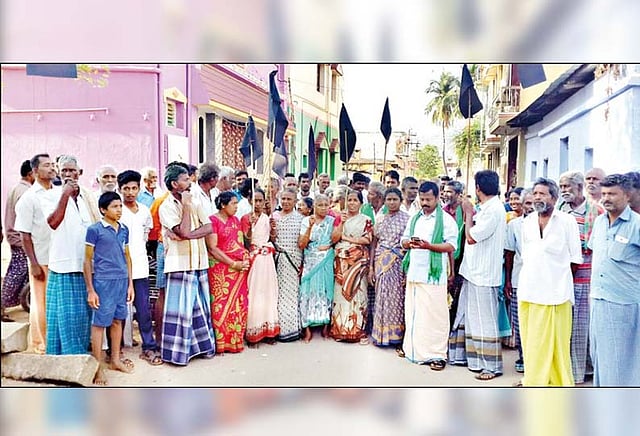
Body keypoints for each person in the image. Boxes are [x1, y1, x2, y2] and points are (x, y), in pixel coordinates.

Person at [518, 177, 582, 386]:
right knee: (532, 343)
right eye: (535, 193)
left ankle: (557, 383)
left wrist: (558, 281)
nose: (537, 197)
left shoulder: (567, 221)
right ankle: (534, 382)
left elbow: (575, 259)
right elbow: (526, 256)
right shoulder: (527, 222)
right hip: (529, 292)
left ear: (554, 198)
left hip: (557, 295)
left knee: (557, 345)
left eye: (542, 194)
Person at [450, 170, 507, 381]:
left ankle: (491, 366)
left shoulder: (494, 210)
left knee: (484, 320)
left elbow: (471, 237)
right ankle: (469, 359)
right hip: (473, 271)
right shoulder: (487, 207)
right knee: (469, 316)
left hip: (484, 274)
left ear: (478, 188)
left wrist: (468, 213)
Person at [158, 164, 216, 364]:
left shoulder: (195, 200)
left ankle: (203, 348)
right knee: (180, 312)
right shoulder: (166, 206)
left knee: (200, 308)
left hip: (198, 261)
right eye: (185, 179)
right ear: (175, 184)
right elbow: (182, 229)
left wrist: (189, 235)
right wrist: (186, 207)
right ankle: (178, 355)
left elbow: (208, 227)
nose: (190, 182)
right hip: (179, 264)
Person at [588, 174, 640, 386]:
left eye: (612, 194)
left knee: (620, 364)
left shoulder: (636, 225)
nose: (606, 198)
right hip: (597, 301)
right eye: (604, 193)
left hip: (624, 306)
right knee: (599, 358)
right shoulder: (600, 222)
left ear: (627, 195)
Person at [45, 155, 100, 356]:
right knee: (65, 316)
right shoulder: (52, 195)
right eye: (64, 171)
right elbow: (53, 222)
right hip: (63, 263)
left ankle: (81, 353)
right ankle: (65, 356)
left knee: (83, 315)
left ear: (79, 173)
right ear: (59, 173)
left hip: (85, 263)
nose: (68, 174)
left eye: (72, 170)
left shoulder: (87, 197)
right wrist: (65, 195)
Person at [400, 181, 457, 369]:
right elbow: (403, 240)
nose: (424, 203)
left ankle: (437, 355)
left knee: (435, 316)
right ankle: (413, 350)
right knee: (414, 313)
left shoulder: (446, 220)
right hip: (415, 272)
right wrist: (409, 243)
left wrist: (428, 246)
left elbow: (451, 245)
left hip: (434, 275)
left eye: (428, 200)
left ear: (437, 198)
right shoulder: (414, 218)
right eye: (422, 199)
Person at [557, 170, 604, 384]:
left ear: (578, 187)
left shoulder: (596, 211)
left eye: (567, 186)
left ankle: (578, 372)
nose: (564, 190)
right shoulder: (560, 209)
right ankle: (567, 369)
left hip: (584, 276)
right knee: (565, 325)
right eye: (561, 187)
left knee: (580, 327)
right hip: (561, 275)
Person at [84, 191, 135, 385]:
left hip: (121, 281)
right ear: (103, 210)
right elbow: (87, 260)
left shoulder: (124, 229)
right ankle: (97, 368)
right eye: (114, 206)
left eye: (120, 206)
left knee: (117, 321)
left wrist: (130, 284)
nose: (119, 210)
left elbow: (127, 257)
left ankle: (114, 360)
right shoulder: (94, 230)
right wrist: (91, 290)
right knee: (99, 324)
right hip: (103, 282)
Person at [14, 153, 59, 353]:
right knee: (41, 303)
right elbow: (24, 235)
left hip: (59, 257)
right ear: (35, 171)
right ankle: (41, 344)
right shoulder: (28, 198)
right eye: (47, 165)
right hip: (41, 258)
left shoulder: (58, 193)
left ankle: (55, 341)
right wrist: (33, 263)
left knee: (55, 303)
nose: (52, 168)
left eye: (53, 164)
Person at [117, 170, 161, 366]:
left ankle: (148, 347)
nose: (130, 192)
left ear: (139, 188)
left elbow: (146, 236)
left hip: (141, 267)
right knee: (119, 310)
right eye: (126, 189)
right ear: (120, 189)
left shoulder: (144, 210)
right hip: (119, 269)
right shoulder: (116, 210)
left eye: (134, 188)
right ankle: (116, 350)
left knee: (143, 309)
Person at [208, 191, 251, 354]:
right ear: (223, 205)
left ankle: (235, 341)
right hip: (220, 270)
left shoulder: (236, 221)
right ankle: (221, 343)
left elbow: (241, 243)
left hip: (238, 270)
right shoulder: (213, 221)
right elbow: (213, 248)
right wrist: (233, 263)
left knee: (238, 305)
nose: (236, 207)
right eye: (233, 203)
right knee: (220, 305)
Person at [330, 189, 373, 343]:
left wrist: (348, 239)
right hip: (341, 261)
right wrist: (342, 223)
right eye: (349, 200)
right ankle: (340, 330)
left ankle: (357, 330)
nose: (352, 203)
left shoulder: (366, 219)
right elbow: (334, 238)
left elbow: (367, 240)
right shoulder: (339, 217)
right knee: (340, 294)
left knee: (358, 294)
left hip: (358, 262)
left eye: (355, 200)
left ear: (361, 203)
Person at [370, 188, 410, 351]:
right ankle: (380, 335)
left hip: (398, 263)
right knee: (381, 296)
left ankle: (397, 336)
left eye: (395, 199)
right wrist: (371, 267)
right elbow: (374, 243)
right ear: (384, 201)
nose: (392, 203)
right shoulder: (380, 219)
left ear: (401, 201)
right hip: (381, 261)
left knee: (397, 299)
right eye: (389, 199)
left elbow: (409, 247)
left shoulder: (407, 219)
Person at [298, 194, 341, 342]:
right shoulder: (306, 221)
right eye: (320, 205)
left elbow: (335, 239)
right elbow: (302, 244)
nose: (323, 208)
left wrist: (329, 245)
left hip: (326, 259)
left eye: (326, 205)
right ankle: (307, 328)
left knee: (326, 289)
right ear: (314, 206)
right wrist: (310, 227)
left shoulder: (332, 221)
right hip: (310, 260)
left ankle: (325, 326)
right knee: (307, 291)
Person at [241, 188, 280, 347]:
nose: (257, 204)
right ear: (249, 201)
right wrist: (251, 226)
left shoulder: (267, 217)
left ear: (265, 202)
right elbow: (246, 242)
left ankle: (269, 331)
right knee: (255, 294)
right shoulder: (245, 218)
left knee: (269, 293)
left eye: (260, 201)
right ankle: (253, 333)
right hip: (255, 259)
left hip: (267, 259)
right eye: (254, 200)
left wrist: (273, 229)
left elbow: (272, 238)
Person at [503, 189, 535, 374]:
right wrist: (508, 281)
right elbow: (509, 253)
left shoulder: (549, 224)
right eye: (528, 203)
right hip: (518, 279)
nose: (531, 207)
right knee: (520, 321)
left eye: (533, 203)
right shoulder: (515, 225)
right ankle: (523, 356)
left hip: (541, 283)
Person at [2, 160, 34, 322]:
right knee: (17, 273)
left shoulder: (17, 188)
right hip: (20, 239)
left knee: (20, 272)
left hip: (14, 237)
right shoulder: (25, 192)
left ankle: (24, 302)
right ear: (30, 174)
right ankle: (2, 305)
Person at [272, 188, 304, 342]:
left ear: (295, 201)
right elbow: (271, 239)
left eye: (289, 199)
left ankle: (292, 329)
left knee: (292, 295)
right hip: (278, 261)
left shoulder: (301, 219)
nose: (285, 202)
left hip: (293, 261)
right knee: (278, 295)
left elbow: (302, 243)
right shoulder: (274, 217)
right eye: (283, 198)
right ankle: (279, 329)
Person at [443, 180, 465, 329]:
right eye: (444, 191)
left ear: (459, 194)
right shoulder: (442, 211)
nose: (446, 194)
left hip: (460, 259)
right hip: (445, 257)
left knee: (456, 295)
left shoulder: (466, 211)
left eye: (449, 191)